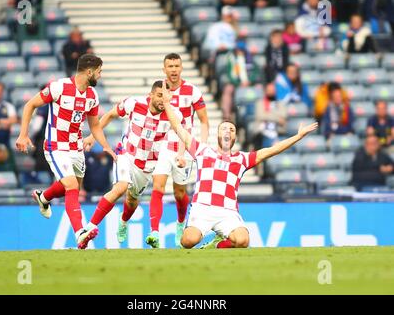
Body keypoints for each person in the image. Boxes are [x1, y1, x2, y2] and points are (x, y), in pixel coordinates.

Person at [160, 81, 318, 249]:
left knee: (243, 241)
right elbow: (178, 128)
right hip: (202, 208)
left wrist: (298, 136)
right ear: (218, 134)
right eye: (224, 129)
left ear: (235, 137)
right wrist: (167, 104)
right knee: (188, 242)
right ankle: (210, 238)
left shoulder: (242, 159)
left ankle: (218, 244)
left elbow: (273, 150)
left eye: (232, 130)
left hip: (227, 211)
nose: (228, 132)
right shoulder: (202, 151)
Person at [15, 54, 116, 250]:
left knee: (70, 186)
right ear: (89, 71)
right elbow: (30, 105)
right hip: (55, 146)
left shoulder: (92, 96)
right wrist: (23, 134)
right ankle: (80, 233)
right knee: (71, 186)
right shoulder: (59, 87)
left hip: (76, 147)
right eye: (99, 71)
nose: (100, 76)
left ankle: (43, 197)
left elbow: (94, 126)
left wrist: (105, 145)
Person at [81, 81, 184, 247]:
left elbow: (183, 135)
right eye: (159, 95)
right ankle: (89, 228)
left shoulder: (174, 115)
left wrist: (180, 155)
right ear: (150, 95)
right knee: (120, 187)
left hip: (147, 166)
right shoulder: (134, 103)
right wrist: (93, 136)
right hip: (126, 155)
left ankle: (123, 222)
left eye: (165, 97)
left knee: (131, 201)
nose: (162, 100)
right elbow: (109, 115)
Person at [146, 53, 209, 248]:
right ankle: (154, 232)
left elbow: (204, 121)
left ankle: (181, 223)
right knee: (158, 187)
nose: (173, 69)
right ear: (164, 69)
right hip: (163, 146)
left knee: (180, 193)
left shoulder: (192, 91)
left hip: (184, 148)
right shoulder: (159, 90)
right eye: (170, 66)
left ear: (181, 68)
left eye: (176, 66)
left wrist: (201, 149)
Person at [221, 39, 260, 120]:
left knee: (259, 88)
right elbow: (229, 74)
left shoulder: (250, 58)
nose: (240, 51)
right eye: (238, 49)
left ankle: (257, 114)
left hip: (249, 83)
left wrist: (250, 81)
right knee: (228, 89)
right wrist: (238, 83)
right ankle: (226, 115)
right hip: (236, 83)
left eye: (242, 49)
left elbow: (255, 72)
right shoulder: (231, 58)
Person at [252, 83, 287, 149]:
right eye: (269, 90)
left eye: (273, 90)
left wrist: (267, 114)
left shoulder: (280, 103)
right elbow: (261, 116)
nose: (271, 92)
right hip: (262, 133)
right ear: (265, 91)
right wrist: (277, 118)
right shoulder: (260, 103)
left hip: (278, 132)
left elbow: (283, 118)